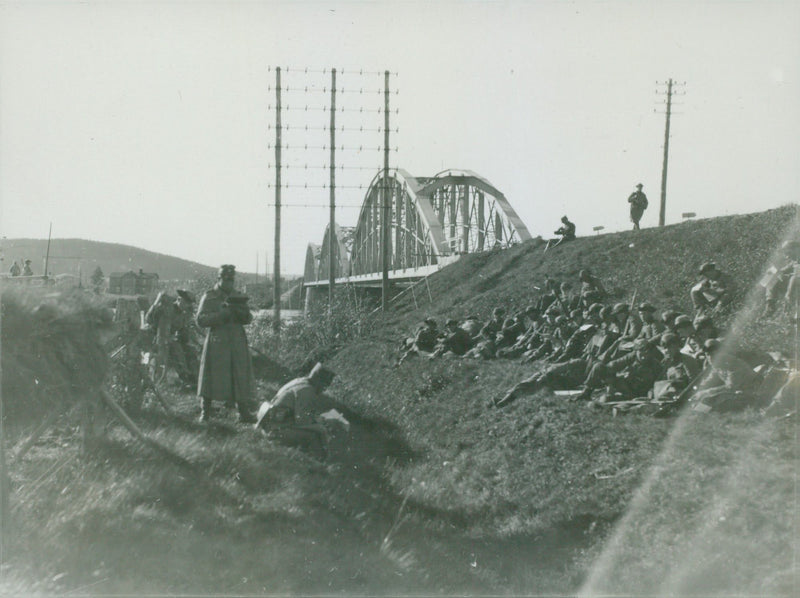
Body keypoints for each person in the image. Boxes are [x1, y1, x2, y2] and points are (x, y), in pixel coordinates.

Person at [196, 264, 256, 423]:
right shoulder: (210, 296)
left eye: (231, 279)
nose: (229, 282)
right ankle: (205, 412)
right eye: (225, 279)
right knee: (210, 376)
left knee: (239, 375)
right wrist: (220, 315)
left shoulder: (238, 296)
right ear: (219, 279)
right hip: (218, 342)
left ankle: (243, 412)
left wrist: (241, 313)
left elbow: (248, 318)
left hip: (237, 341)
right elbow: (200, 320)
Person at [255, 362, 338, 458]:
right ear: (318, 380)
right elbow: (302, 421)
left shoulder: (299, 381)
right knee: (314, 436)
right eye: (324, 385)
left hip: (272, 424)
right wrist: (320, 427)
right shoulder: (307, 391)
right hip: (274, 431)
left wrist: (316, 420)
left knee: (317, 429)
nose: (324, 389)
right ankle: (320, 464)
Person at [762, 239, 800, 316]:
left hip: (796, 283)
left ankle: (770, 305)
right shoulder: (794, 260)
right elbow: (785, 269)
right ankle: (769, 304)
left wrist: (788, 295)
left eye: (788, 252)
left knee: (775, 278)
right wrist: (774, 272)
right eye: (785, 252)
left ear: (796, 249)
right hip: (793, 281)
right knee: (771, 274)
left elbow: (795, 277)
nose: (787, 255)